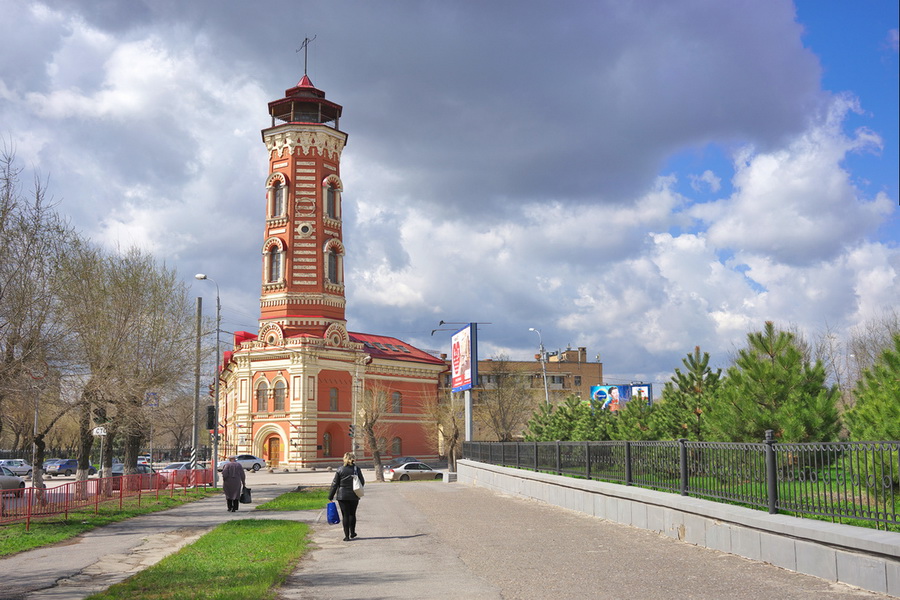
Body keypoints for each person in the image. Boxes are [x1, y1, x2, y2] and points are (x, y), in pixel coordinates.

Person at [328, 452, 364, 541]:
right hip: (354, 494)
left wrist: (331, 496)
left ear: (344, 458)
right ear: (353, 459)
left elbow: (335, 484)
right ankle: (353, 532)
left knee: (345, 515)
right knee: (352, 514)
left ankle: (346, 536)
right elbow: (362, 482)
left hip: (342, 495)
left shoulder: (340, 469)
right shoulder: (356, 469)